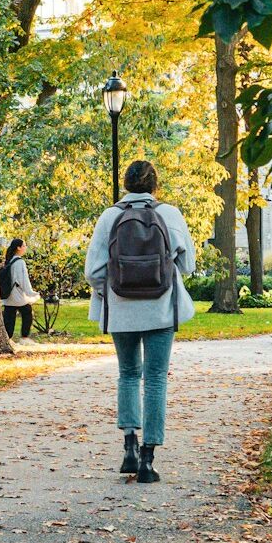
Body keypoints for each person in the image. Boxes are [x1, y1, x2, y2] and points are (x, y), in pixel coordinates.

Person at [86, 160, 196, 484]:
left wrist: (113, 295)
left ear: (125, 184)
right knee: (156, 379)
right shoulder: (170, 214)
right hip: (161, 309)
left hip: (121, 311)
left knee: (129, 374)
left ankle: (129, 448)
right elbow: (187, 264)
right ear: (154, 185)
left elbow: (93, 271)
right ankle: (148, 460)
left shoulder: (110, 217)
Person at [0, 238, 36, 339]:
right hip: (17, 295)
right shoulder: (20, 262)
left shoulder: (9, 260)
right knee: (27, 312)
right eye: (24, 246)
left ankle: (8, 338)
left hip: (7, 295)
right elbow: (23, 280)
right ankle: (24, 338)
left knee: (9, 317)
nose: (25, 248)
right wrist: (31, 293)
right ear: (18, 248)